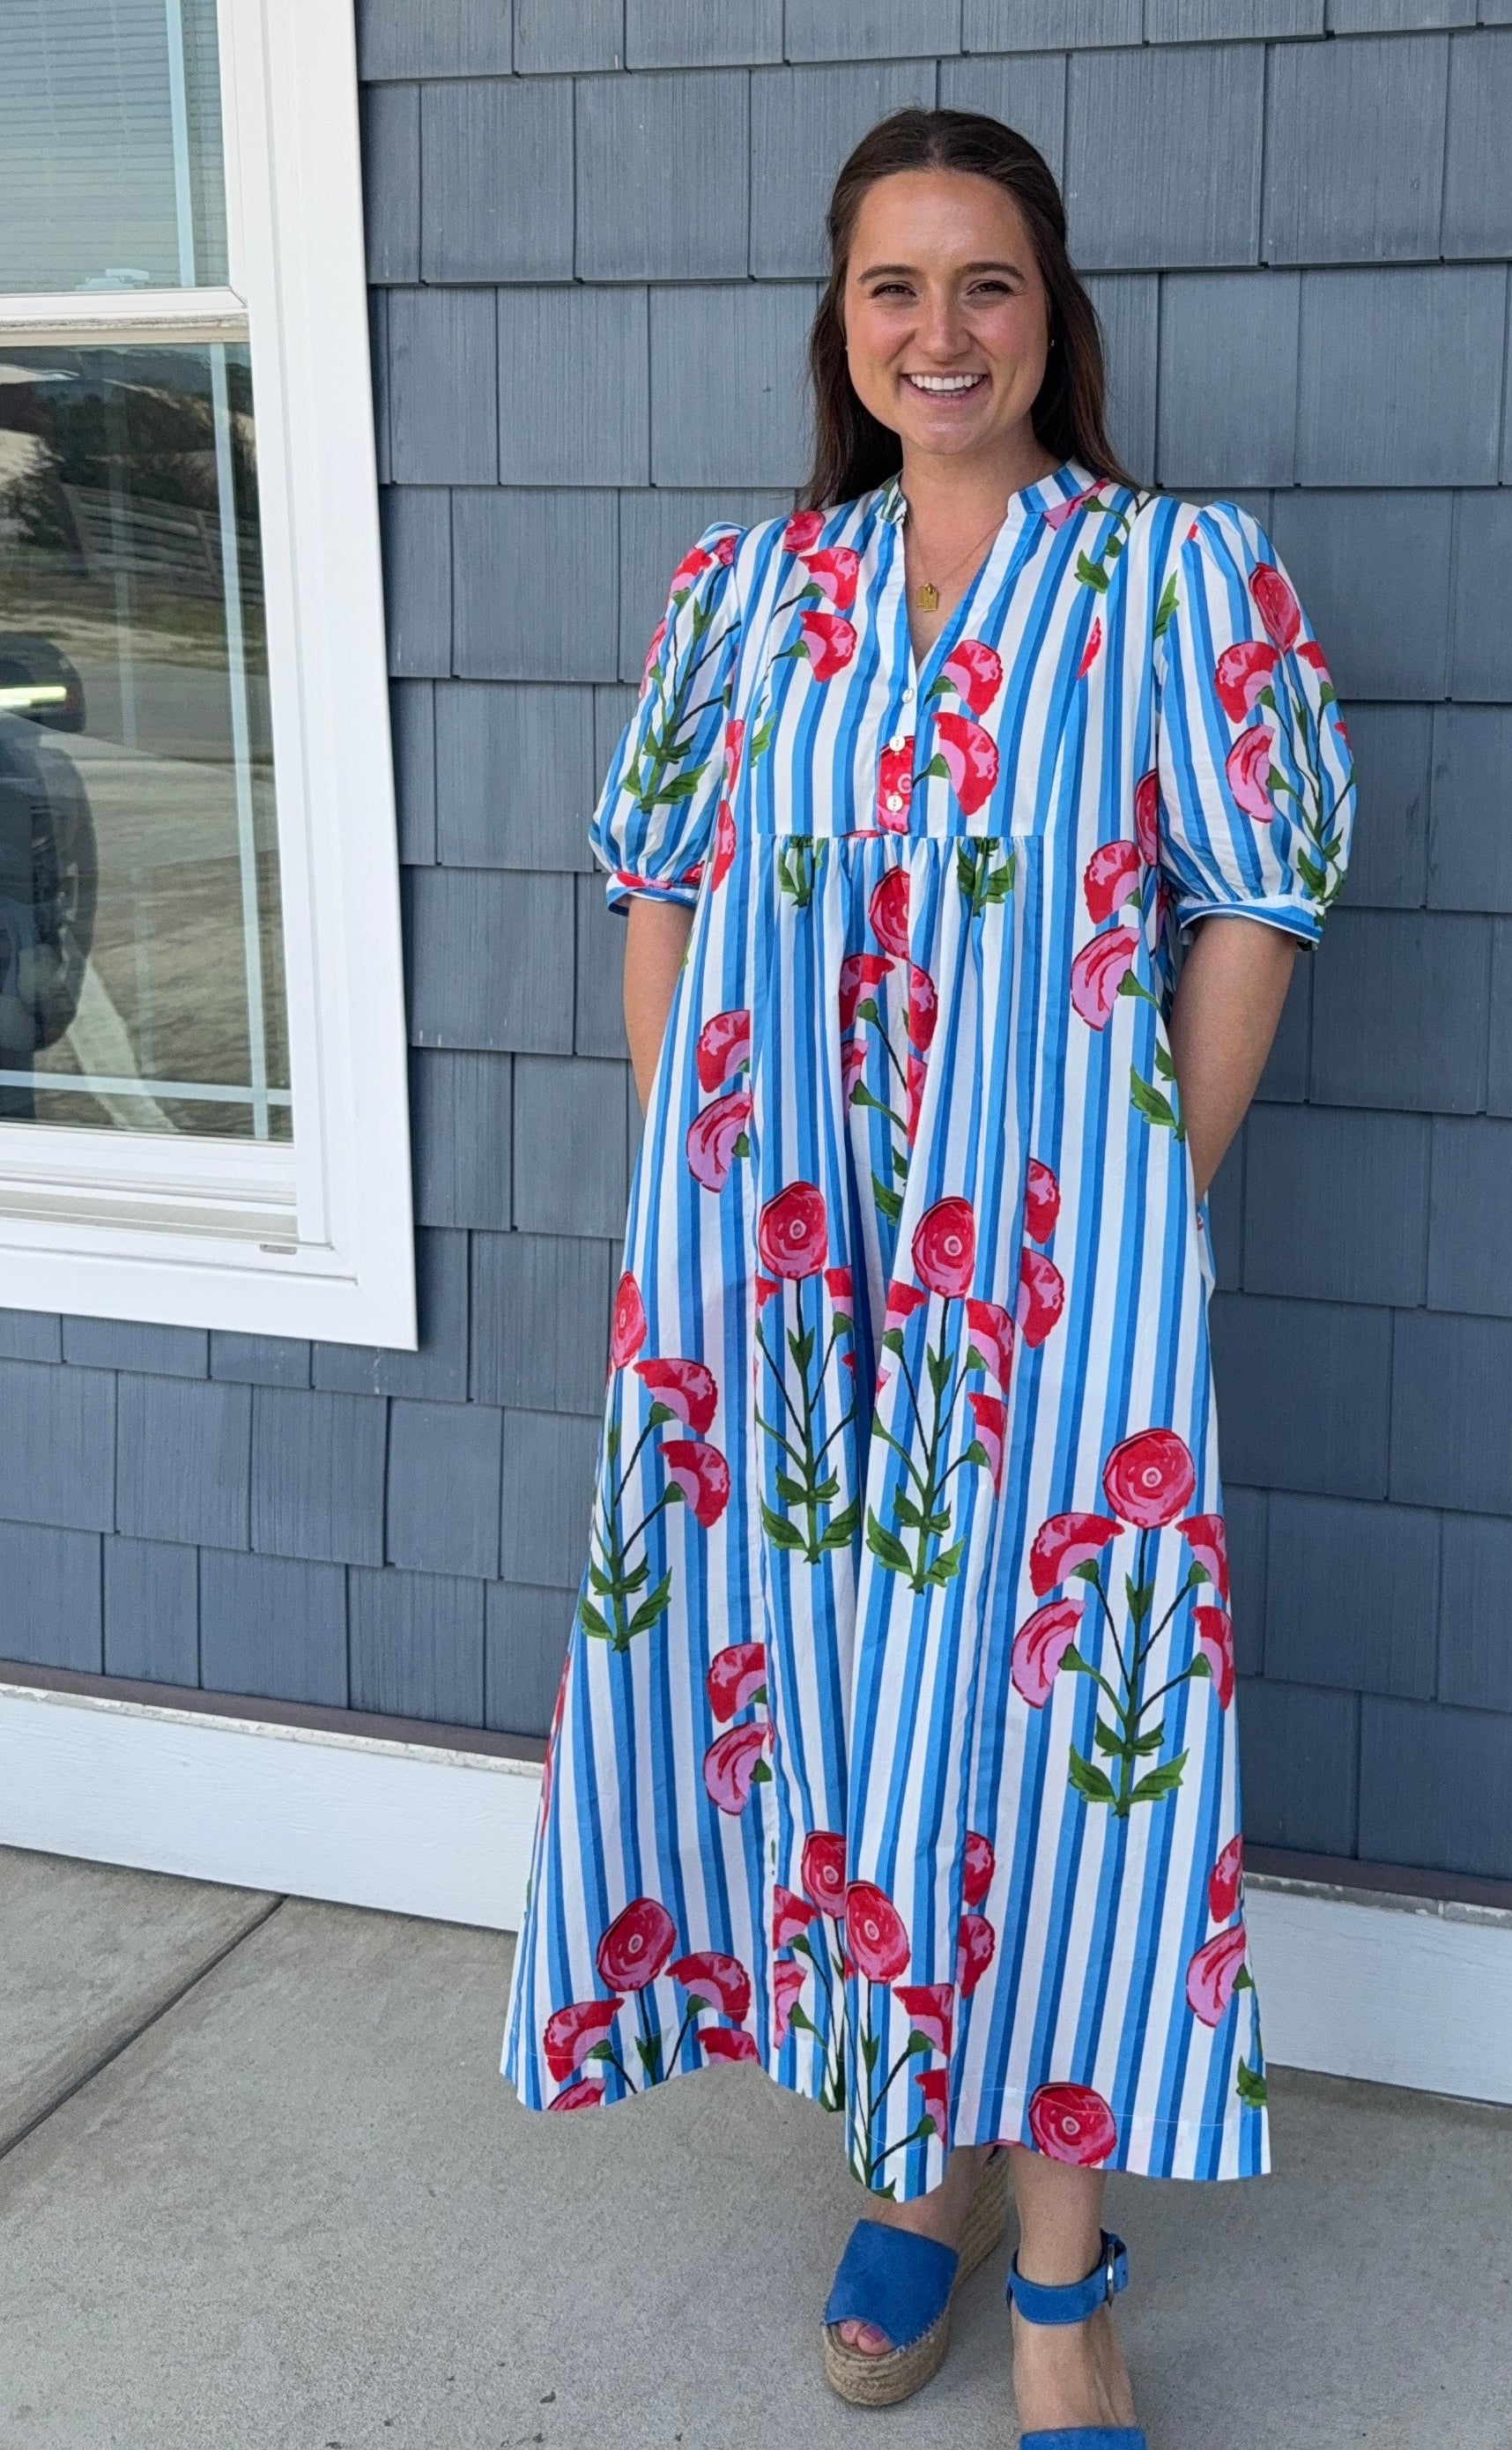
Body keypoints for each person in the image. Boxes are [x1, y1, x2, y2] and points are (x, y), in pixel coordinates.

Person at [503, 107, 1354, 2450]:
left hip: (1062, 1280)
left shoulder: (1178, 577)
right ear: (842, 324)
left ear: (1051, 313)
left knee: (1078, 1768)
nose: (942, 331)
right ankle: (919, 2160)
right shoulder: (747, 594)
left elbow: (1261, 894)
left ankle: (1065, 2277)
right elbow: (658, 872)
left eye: (987, 285)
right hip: (788, 1286)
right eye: (898, 287)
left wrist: (1139, 1196)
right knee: (857, 1718)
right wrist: (700, 1179)